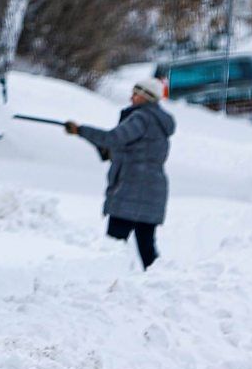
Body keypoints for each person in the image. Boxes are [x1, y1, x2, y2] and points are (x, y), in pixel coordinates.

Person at [64, 78, 176, 270]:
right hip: (152, 188)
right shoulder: (158, 121)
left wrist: (80, 131)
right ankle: (160, 281)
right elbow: (129, 148)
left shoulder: (142, 117)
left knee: (114, 243)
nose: (131, 97)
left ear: (146, 97)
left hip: (132, 188)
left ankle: (109, 278)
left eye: (136, 93)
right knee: (146, 246)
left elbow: (113, 139)